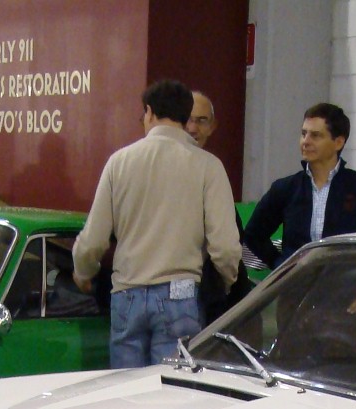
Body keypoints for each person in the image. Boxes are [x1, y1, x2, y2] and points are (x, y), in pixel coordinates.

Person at [73, 79, 240, 368]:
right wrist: (225, 281)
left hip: (126, 293)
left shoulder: (118, 162)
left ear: (149, 112)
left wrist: (83, 271)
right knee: (170, 389)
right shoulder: (208, 166)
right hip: (181, 294)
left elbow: (94, 239)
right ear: (185, 117)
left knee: (127, 389)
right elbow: (225, 247)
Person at [243, 102, 356, 271]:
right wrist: (281, 266)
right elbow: (253, 234)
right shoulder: (286, 188)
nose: (306, 141)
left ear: (338, 142)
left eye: (315, 135)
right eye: (303, 134)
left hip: (347, 286)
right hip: (298, 286)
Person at [186, 90, 251, 324]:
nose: (193, 128)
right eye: (188, 119)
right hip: (190, 294)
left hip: (204, 295)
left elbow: (229, 246)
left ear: (213, 126)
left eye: (201, 120)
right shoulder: (209, 169)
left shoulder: (212, 170)